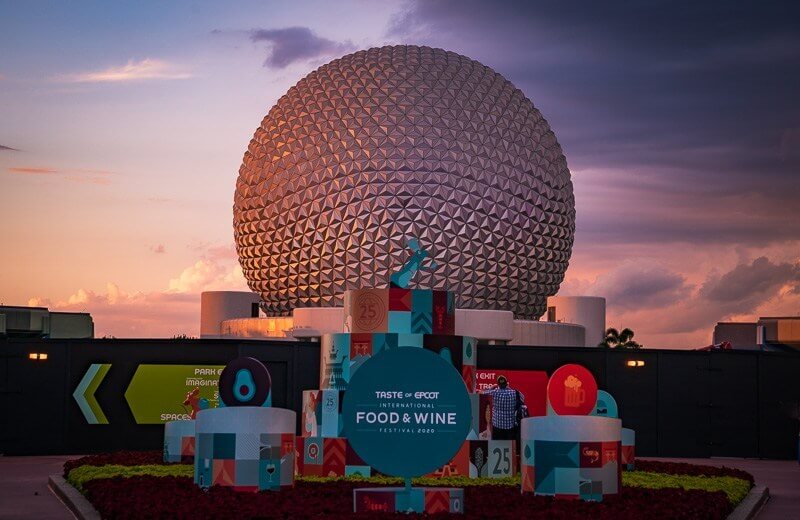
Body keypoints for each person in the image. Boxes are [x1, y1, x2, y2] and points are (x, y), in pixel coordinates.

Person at [481, 375, 526, 441]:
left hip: (497, 427)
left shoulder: (494, 393)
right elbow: (523, 398)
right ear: (507, 383)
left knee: (497, 445)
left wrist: (491, 388)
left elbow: (481, 393)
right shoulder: (515, 393)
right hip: (510, 427)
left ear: (498, 384)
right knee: (510, 446)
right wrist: (509, 388)